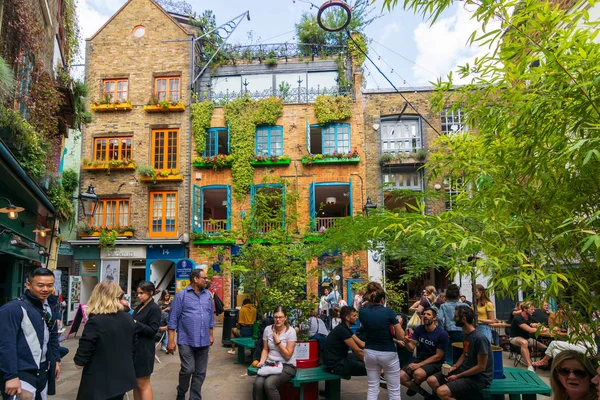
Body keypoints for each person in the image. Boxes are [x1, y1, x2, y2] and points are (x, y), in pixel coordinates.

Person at [0, 268, 61, 400]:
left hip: (43, 371)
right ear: (28, 285)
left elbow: (52, 335)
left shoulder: (49, 306)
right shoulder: (12, 309)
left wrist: (56, 359)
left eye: (50, 285)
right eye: (40, 285)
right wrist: (11, 376)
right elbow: (6, 344)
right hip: (22, 372)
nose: (45, 289)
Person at [73, 280, 137, 400]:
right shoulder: (128, 318)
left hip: (99, 380)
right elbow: (134, 346)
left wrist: (79, 361)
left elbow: (84, 351)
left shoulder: (96, 321)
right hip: (122, 377)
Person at [426, 305, 494, 400]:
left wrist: (458, 376)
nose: (453, 318)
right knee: (431, 380)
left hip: (479, 377)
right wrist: (454, 367)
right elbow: (464, 354)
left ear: (464, 319)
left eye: (456, 316)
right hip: (465, 370)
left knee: (441, 392)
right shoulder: (466, 335)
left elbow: (481, 367)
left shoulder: (480, 339)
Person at [168, 269, 215, 400]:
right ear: (195, 279)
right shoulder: (181, 295)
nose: (206, 280)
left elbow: (210, 317)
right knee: (188, 369)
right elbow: (172, 319)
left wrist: (211, 334)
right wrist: (171, 341)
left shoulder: (208, 295)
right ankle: (181, 391)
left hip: (204, 339)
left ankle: (195, 397)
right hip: (186, 339)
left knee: (200, 372)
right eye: (204, 278)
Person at [359, 287, 406, 400]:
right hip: (388, 351)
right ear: (383, 300)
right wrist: (397, 323)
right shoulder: (389, 312)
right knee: (394, 389)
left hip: (370, 351)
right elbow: (401, 336)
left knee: (372, 387)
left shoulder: (363, 312)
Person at [400, 308, 449, 399]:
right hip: (420, 359)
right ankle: (426, 395)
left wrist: (418, 365)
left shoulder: (442, 334)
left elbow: (438, 356)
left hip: (435, 362)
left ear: (434, 318)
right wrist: (406, 342)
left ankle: (415, 384)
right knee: (401, 377)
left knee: (418, 374)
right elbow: (411, 348)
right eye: (424, 314)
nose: (425, 316)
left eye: (428, 314)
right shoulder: (419, 329)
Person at [253, 306, 297, 400]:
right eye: (276, 317)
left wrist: (277, 342)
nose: (278, 320)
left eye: (280, 317)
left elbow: (288, 355)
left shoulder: (291, 332)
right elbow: (265, 349)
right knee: (257, 384)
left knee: (269, 384)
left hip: (287, 366)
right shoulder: (268, 329)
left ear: (285, 318)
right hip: (270, 364)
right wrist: (261, 361)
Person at [132, 281, 161, 400]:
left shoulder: (154, 308)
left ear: (150, 292)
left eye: (141, 293)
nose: (138, 296)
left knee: (143, 383)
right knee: (135, 383)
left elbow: (153, 330)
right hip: (135, 347)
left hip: (144, 349)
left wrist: (136, 324)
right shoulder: (140, 306)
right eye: (138, 293)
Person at [323, 306, 366, 376]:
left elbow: (362, 344)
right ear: (347, 318)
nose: (357, 317)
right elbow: (358, 351)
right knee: (371, 368)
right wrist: (373, 363)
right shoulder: (342, 330)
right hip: (335, 365)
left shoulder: (345, 328)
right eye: (354, 316)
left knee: (367, 361)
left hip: (341, 358)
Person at [532, 325, 596, 368]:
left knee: (554, 343)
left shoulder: (579, 325)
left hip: (587, 349)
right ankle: (560, 370)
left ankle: (544, 360)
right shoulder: (575, 324)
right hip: (579, 346)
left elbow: (573, 339)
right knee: (555, 351)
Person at [509, 301, 547, 371]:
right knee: (524, 343)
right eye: (532, 309)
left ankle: (545, 364)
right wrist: (538, 328)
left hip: (527, 338)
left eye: (534, 309)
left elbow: (541, 326)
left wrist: (540, 327)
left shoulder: (530, 317)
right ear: (525, 309)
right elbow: (529, 330)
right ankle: (530, 366)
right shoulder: (518, 318)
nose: (534, 310)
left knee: (546, 348)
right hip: (515, 338)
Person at [439, 284, 463, 364]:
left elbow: (439, 318)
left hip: (449, 333)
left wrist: (442, 330)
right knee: (462, 354)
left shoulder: (443, 306)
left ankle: (449, 371)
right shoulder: (465, 305)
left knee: (449, 356)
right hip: (462, 332)